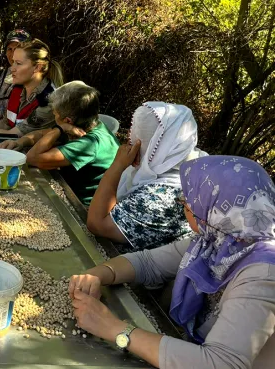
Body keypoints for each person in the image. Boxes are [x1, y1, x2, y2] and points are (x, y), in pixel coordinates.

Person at [68, 155, 275, 369]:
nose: (184, 205)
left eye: (190, 202)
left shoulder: (264, 274)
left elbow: (220, 363)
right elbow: (148, 262)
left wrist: (116, 329)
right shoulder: (218, 240)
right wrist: (99, 274)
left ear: (214, 211)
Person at [87, 102, 207, 251]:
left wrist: (117, 166)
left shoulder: (159, 198)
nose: (130, 141)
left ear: (157, 144)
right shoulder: (186, 156)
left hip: (126, 266)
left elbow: (97, 224)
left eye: (138, 137)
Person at [0, 81, 118, 205]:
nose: (54, 117)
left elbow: (32, 158)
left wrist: (60, 129)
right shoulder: (87, 123)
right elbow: (42, 134)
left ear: (67, 120)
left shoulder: (89, 144)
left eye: (55, 114)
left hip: (80, 207)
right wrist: (20, 142)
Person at [0, 29, 32, 121]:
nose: (13, 54)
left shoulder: (31, 77)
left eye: (17, 49)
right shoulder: (6, 72)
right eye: (9, 49)